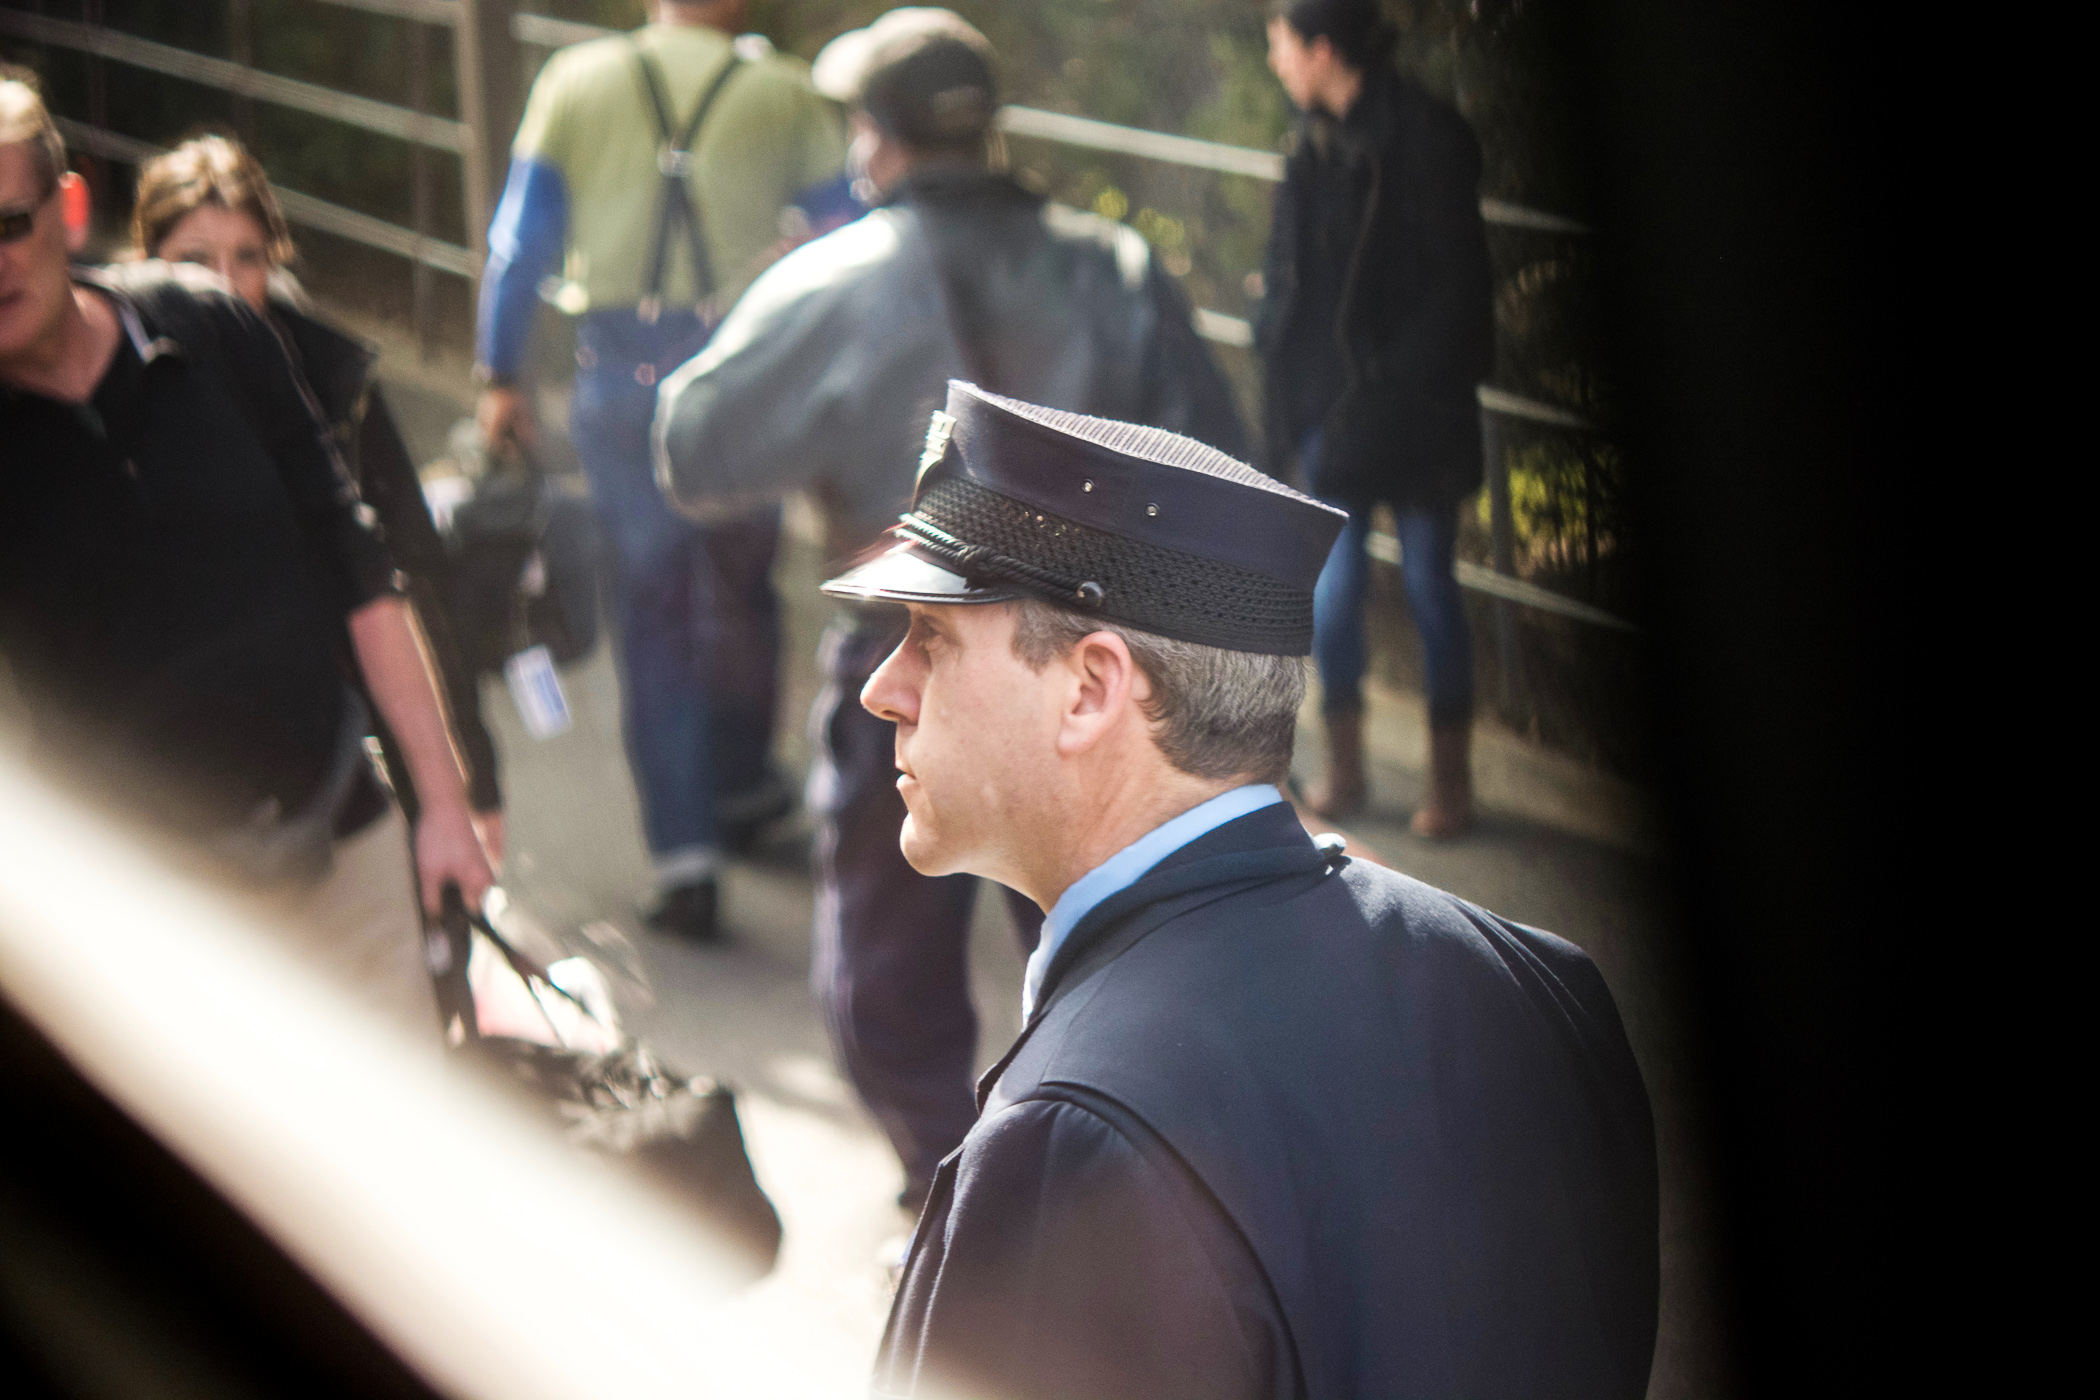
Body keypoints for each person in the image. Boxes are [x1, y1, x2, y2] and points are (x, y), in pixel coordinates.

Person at [826, 382, 1657, 1399]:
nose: (883, 686)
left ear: (1090, 687)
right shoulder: (1543, 983)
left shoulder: (1072, 1138)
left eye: (933, 635)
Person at [654, 10, 1248, 1209]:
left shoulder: (833, 276)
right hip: (1101, 656)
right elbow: (1227, 468)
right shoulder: (1114, 265)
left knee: (883, 965)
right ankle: (1084, 1181)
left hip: (908, 653)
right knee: (1106, 945)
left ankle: (952, 1183)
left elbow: (691, 443)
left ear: (876, 142)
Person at [0, 77, 492, 1038]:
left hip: (344, 843)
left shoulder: (208, 325)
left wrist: (445, 804)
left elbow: (364, 573)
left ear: (67, 206)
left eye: (5, 222)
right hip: (161, 934)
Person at [474, 0, 846, 939]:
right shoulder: (786, 94)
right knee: (743, 585)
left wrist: (500, 372)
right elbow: (854, 238)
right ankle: (742, 788)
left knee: (657, 611)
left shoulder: (576, 82)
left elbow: (520, 244)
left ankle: (687, 861)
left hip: (621, 386)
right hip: (746, 388)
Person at [131, 134, 506, 865]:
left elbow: (416, 577)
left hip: (354, 748)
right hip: (186, 791)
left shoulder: (334, 382)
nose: (225, 284)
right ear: (146, 263)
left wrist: (473, 781)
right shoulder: (107, 392)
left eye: (247, 257)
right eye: (195, 261)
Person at [1257, 0, 1495, 835]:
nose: (1275, 58)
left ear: (1322, 48)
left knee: (1431, 585)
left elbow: (1461, 296)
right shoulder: (1308, 139)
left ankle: (1449, 781)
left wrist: (1388, 388)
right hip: (1336, 411)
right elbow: (1292, 283)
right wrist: (1285, 399)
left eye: (1281, 41)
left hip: (1414, 411)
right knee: (1334, 592)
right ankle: (1346, 767)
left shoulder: (1425, 138)